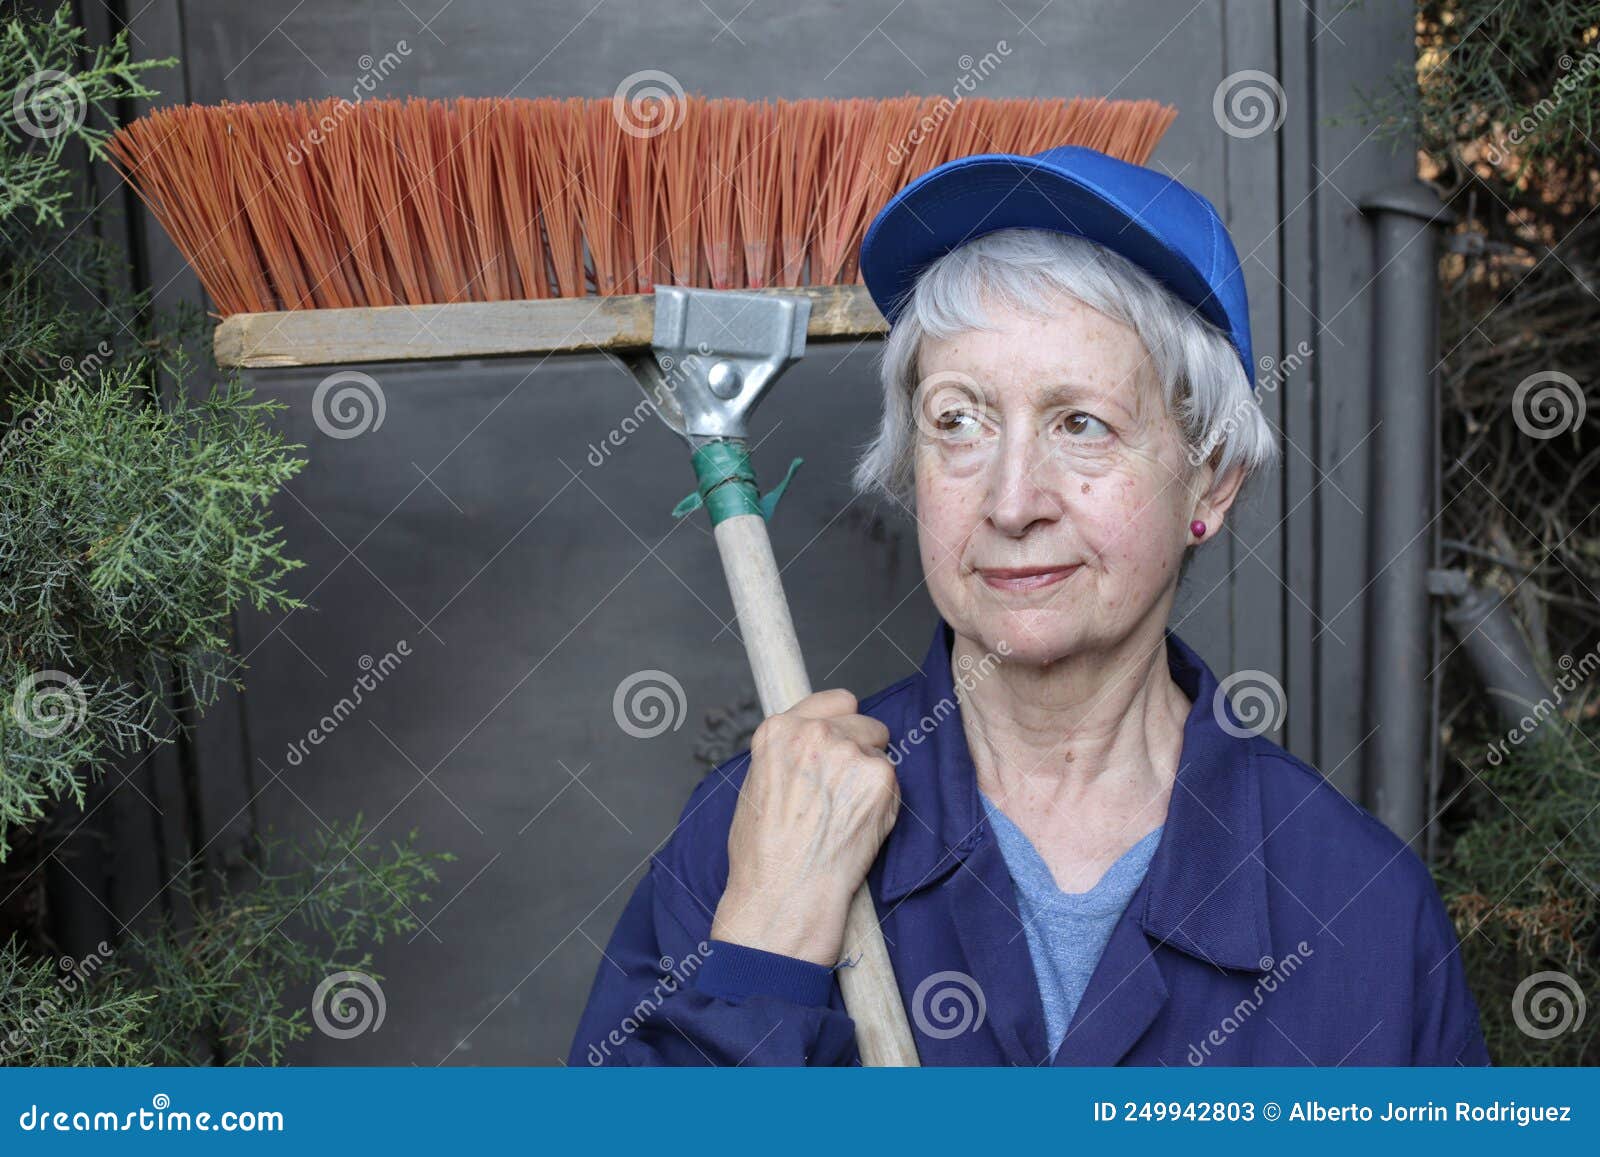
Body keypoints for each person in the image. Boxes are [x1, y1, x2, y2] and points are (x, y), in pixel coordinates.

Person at [568, 144, 1491, 1066]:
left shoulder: (1358, 913)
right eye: (958, 421)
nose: (1012, 502)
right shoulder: (753, 832)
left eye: (1080, 423)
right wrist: (764, 952)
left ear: (1210, 482)